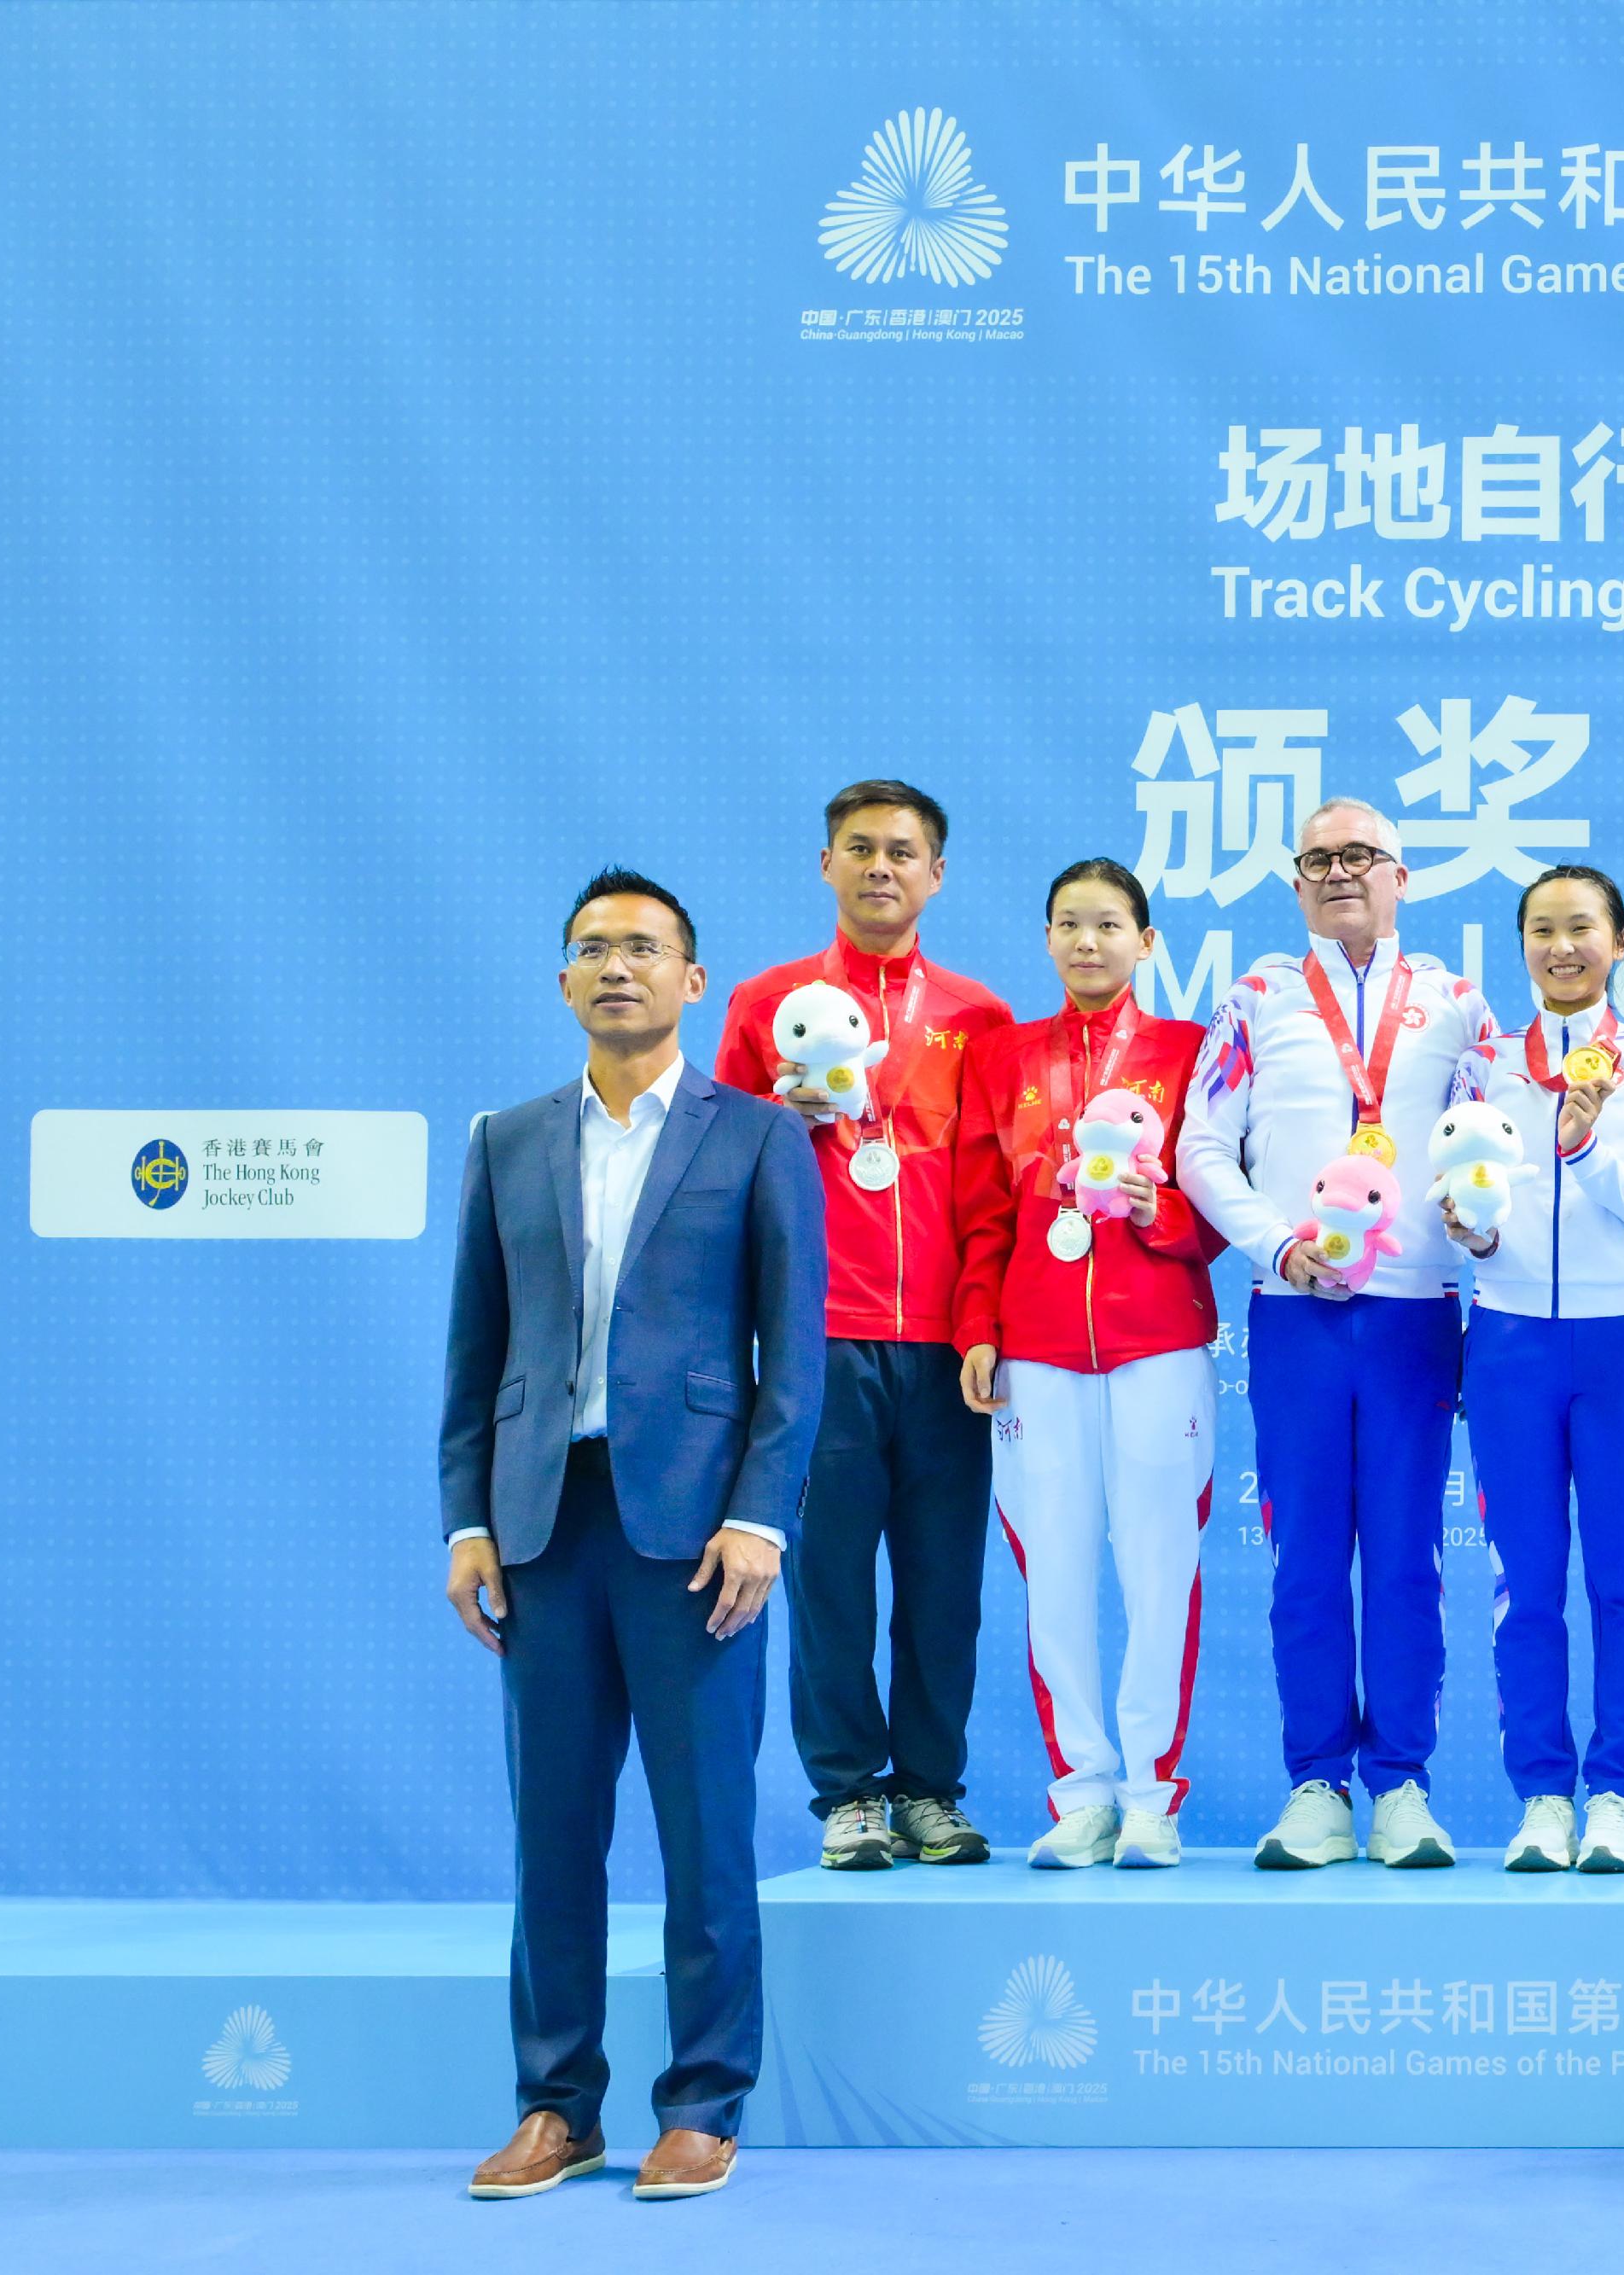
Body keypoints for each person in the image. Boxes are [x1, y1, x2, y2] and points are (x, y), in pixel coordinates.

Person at [440, 869, 824, 2202]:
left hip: (696, 1537)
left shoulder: (759, 1136)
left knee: (705, 1829)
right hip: (545, 1526)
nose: (619, 967)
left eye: (645, 948)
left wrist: (761, 1513)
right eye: (594, 949)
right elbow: (473, 1353)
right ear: (563, 980)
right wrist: (468, 1520)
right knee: (555, 1830)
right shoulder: (508, 1140)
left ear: (691, 978)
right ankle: (558, 2105)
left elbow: (794, 1356)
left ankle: (704, 2100)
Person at [1177, 797, 1495, 1868]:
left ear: (1402, 875)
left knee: (1405, 1558)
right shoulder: (1255, 999)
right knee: (1308, 1560)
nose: (1339, 871)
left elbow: (1496, 1143)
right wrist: (1277, 1248)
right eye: (1317, 859)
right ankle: (1315, 1783)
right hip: (1296, 1316)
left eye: (1361, 855)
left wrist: (1474, 1222)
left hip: (1416, 1316)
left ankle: (1401, 1782)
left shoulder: (1457, 1001)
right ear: (1296, 883)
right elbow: (1200, 1147)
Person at [712, 782, 1011, 1872]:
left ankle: (930, 1787)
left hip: (944, 1345)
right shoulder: (764, 1003)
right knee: (828, 1577)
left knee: (945, 1583)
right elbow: (717, 1168)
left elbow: (988, 1193)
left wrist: (981, 1324)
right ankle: (848, 1794)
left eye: (903, 851)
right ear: (826, 864)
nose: (881, 867)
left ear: (937, 874)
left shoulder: (978, 1017)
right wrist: (771, 1129)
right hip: (817, 1340)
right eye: (859, 849)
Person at [952, 859, 1225, 1869]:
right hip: (1035, 1349)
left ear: (1146, 941)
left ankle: (1153, 1791)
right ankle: (1081, 1791)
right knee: (1051, 1568)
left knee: (1161, 1567)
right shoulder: (1004, 1056)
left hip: (1159, 1335)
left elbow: (1229, 1199)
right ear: (1047, 937)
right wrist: (977, 1323)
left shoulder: (1192, 1053)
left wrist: (1165, 1217)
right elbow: (980, 1212)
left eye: (1109, 923)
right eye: (1067, 922)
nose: (1086, 941)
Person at [1439, 864, 1624, 1873]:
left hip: (1623, 1342)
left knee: (1623, 1579)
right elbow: (1466, 1203)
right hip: (1506, 1344)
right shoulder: (1483, 1065)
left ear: (1619, 940)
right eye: (1541, 930)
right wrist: (1475, 1235)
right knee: (1525, 1581)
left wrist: (1585, 1147)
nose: (1561, 947)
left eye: (1581, 928)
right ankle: (1543, 1794)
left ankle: (1618, 1797)